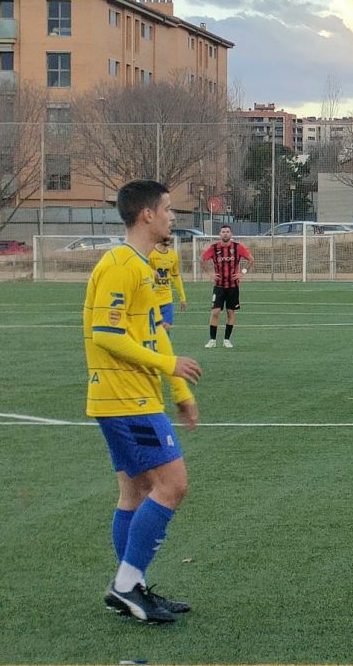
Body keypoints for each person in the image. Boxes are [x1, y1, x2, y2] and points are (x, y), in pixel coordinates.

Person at [84, 180, 203, 623]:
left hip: (133, 395)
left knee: (134, 490)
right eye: (168, 209)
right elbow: (107, 334)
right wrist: (169, 366)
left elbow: (154, 332)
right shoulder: (120, 265)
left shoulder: (143, 265)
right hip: (125, 398)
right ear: (147, 214)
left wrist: (180, 391)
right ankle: (125, 584)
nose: (172, 216)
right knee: (173, 486)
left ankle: (131, 587)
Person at [201, 225, 254, 348]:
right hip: (218, 286)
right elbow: (202, 259)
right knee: (215, 312)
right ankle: (212, 340)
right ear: (220, 234)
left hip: (233, 286)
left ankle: (226, 340)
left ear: (231, 234)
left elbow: (251, 259)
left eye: (227, 231)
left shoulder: (237, 247)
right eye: (223, 231)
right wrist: (210, 274)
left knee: (230, 312)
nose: (225, 234)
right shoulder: (214, 248)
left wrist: (242, 273)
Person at [148, 236, 187, 332]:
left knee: (166, 328)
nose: (169, 238)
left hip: (167, 299)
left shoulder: (173, 255)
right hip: (152, 299)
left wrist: (182, 298)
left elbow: (176, 277)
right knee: (154, 330)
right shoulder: (150, 254)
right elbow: (143, 272)